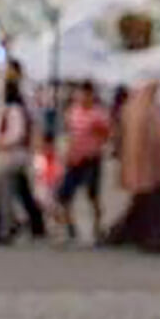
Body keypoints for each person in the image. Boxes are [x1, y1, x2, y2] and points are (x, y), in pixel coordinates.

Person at [105, 80, 160, 252]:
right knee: (149, 204)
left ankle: (123, 235)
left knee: (142, 202)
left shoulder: (136, 108)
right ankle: (148, 238)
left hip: (140, 167)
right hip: (144, 167)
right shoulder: (146, 110)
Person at [0, 63, 44, 243]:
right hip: (15, 155)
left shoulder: (15, 109)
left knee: (3, 191)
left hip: (12, 156)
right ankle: (32, 224)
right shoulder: (12, 107)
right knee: (19, 190)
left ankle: (6, 227)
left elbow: (16, 134)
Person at [55, 79, 110, 242]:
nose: (84, 97)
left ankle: (98, 228)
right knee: (64, 195)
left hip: (91, 158)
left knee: (93, 195)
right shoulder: (73, 111)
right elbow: (69, 134)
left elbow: (105, 134)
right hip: (74, 159)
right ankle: (69, 227)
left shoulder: (98, 114)